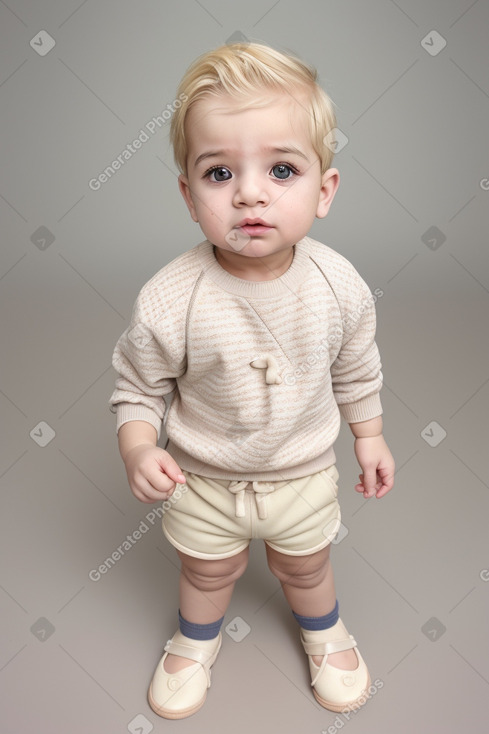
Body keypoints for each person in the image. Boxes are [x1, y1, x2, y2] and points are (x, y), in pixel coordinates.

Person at [108, 42, 395, 720]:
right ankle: (192, 640)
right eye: (217, 173)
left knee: (305, 567)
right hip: (203, 480)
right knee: (208, 571)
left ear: (323, 190)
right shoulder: (170, 297)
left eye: (282, 168)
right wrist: (138, 447)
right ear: (187, 194)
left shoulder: (337, 285)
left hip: (301, 473)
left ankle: (323, 634)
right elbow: (138, 386)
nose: (249, 193)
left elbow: (356, 364)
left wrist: (371, 435)